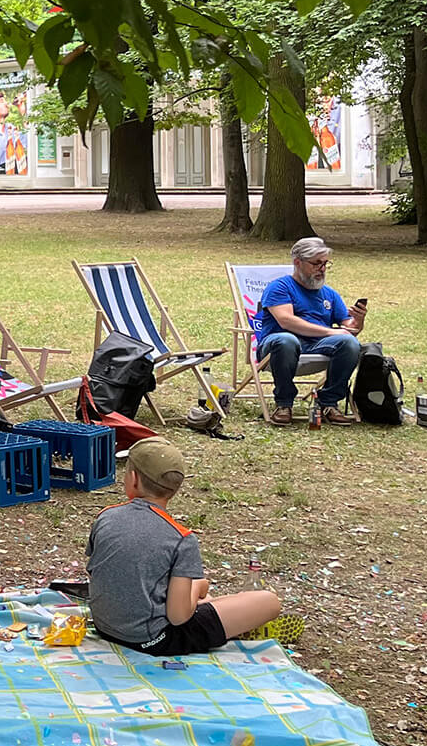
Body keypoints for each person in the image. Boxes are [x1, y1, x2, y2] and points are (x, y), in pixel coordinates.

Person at [86, 437, 299, 655]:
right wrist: (198, 586)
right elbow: (178, 617)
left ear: (133, 479)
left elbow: (102, 574)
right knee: (269, 601)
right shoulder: (181, 538)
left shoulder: (105, 517)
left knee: (207, 601)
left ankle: (229, 619)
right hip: (154, 640)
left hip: (106, 627)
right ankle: (240, 626)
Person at [254, 236, 365, 426]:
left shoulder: (329, 293)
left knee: (350, 343)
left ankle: (329, 403)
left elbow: (350, 328)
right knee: (287, 340)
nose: (322, 269)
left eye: (325, 263)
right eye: (316, 263)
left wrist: (358, 320)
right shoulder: (279, 287)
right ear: (298, 262)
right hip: (277, 347)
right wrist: (331, 332)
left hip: (317, 345)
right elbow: (286, 321)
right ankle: (284, 403)